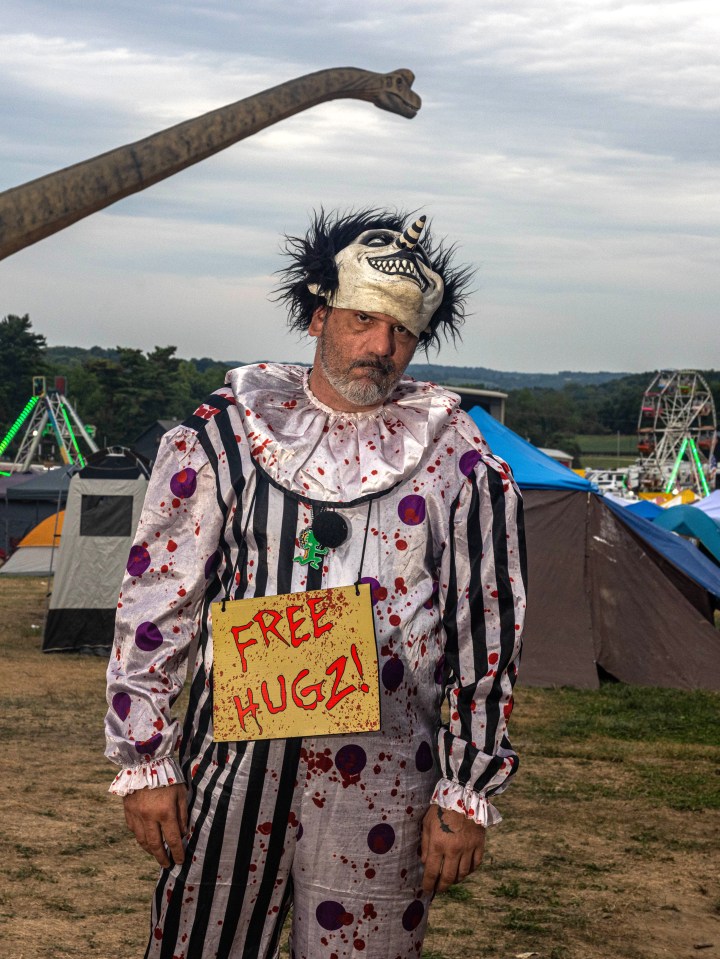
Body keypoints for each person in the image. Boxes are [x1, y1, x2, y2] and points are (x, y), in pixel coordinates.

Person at [105, 209, 527, 959]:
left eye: (401, 331)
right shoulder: (226, 436)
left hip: (388, 775)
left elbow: (485, 633)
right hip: (232, 765)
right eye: (363, 319)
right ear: (318, 313)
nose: (380, 347)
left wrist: (467, 791)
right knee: (206, 940)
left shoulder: (458, 459)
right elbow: (156, 606)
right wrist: (144, 759)